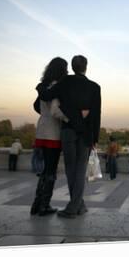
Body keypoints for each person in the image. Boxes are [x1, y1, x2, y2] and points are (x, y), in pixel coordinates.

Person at [39, 55, 101, 219]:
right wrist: (95, 138)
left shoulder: (64, 83)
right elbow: (96, 114)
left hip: (68, 131)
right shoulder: (95, 87)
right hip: (86, 133)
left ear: (73, 67)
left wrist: (39, 86)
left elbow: (46, 95)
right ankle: (78, 205)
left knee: (70, 169)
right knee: (80, 170)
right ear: (86, 66)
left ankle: (74, 207)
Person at [30, 57, 69, 216]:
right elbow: (55, 111)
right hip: (53, 133)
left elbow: (36, 106)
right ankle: (44, 206)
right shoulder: (56, 87)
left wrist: (44, 116)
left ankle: (37, 204)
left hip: (41, 130)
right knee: (51, 171)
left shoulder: (44, 86)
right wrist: (68, 118)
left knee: (44, 171)